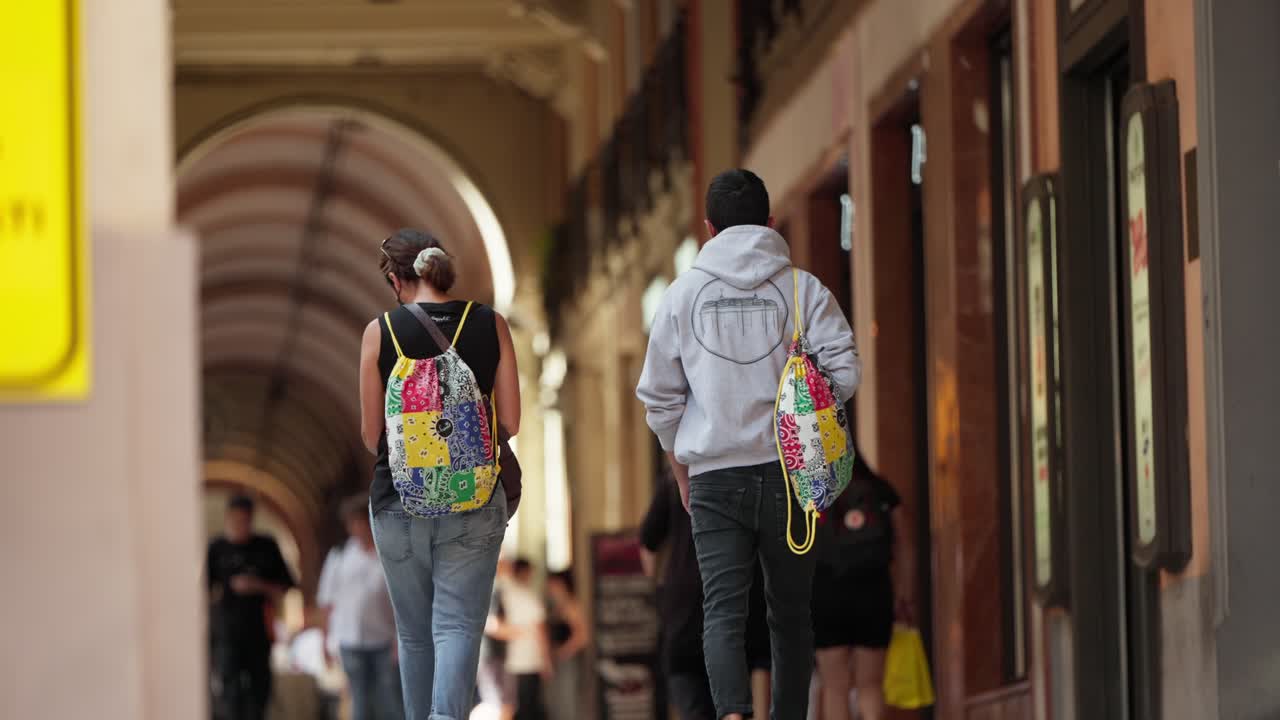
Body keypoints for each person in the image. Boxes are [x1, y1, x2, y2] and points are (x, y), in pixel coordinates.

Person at [637, 169, 862, 720]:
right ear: (769, 222)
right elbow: (846, 370)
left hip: (713, 477)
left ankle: (734, 715)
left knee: (722, 611)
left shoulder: (681, 296)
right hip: (790, 475)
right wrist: (806, 405)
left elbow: (660, 400)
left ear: (708, 228)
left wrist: (681, 468)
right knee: (790, 614)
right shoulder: (802, 288)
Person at [358, 228, 521, 720]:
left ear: (395, 279)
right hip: (474, 497)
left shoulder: (379, 332)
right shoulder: (490, 324)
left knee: (414, 632)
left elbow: (372, 437)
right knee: (457, 627)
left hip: (399, 502)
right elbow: (510, 421)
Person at [811, 452, 913, 720]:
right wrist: (904, 593)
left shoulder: (813, 491)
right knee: (870, 685)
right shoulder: (881, 489)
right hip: (873, 592)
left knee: (835, 686)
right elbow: (904, 546)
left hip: (826, 593)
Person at [207, 494, 296, 720]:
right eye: (235, 520)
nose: (239, 526)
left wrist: (258, 586)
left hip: (259, 631)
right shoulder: (216, 549)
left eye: (244, 520)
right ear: (227, 519)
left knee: (259, 691)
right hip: (226, 633)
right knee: (229, 692)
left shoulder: (266, 546)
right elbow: (203, 592)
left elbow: (287, 587)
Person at [316, 494, 403, 720]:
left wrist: (399, 640)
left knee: (389, 700)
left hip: (383, 639)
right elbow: (327, 601)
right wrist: (324, 639)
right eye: (352, 522)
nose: (357, 527)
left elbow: (400, 602)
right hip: (350, 640)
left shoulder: (388, 554)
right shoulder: (339, 556)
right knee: (360, 701)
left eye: (361, 521)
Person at [498, 558, 552, 720]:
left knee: (514, 707)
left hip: (510, 663)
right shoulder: (526, 596)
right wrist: (546, 661)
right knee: (529, 707)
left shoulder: (502, 592)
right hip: (529, 662)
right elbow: (541, 631)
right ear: (524, 572)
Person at [544, 570, 590, 718]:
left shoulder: (572, 606)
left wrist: (563, 652)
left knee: (567, 698)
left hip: (569, 661)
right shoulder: (554, 607)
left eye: (553, 584)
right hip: (557, 660)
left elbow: (582, 636)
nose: (550, 588)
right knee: (556, 700)